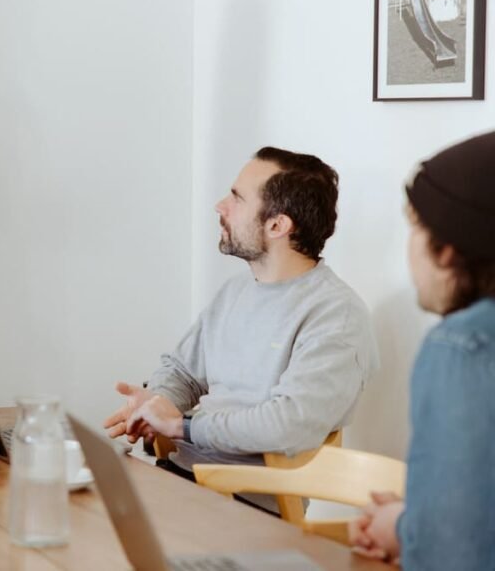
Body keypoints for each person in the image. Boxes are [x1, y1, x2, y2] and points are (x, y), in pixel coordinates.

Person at [104, 147, 378, 510]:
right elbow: (184, 370)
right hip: (181, 478)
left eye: (236, 199)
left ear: (278, 225)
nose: (220, 206)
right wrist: (157, 403)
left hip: (243, 503)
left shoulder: (337, 316)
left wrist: (181, 427)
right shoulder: (236, 290)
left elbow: (287, 424)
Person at [350, 132, 495, 568]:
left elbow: (451, 553)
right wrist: (408, 524)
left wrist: (415, 531)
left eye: (415, 227)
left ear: (447, 250)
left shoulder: (463, 347)